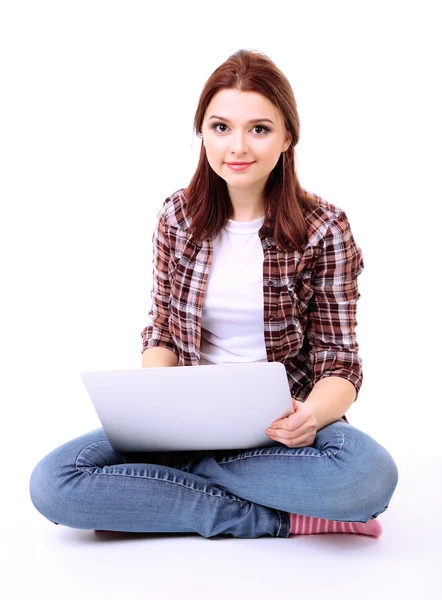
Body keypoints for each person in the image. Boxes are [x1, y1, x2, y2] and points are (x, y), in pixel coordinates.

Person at [30, 49, 398, 539]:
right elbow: (161, 328)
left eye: (259, 128)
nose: (237, 146)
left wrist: (309, 416)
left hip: (282, 435)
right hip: (188, 422)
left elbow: (340, 362)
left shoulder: (323, 229)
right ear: (201, 132)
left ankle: (162, 493)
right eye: (220, 127)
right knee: (54, 482)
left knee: (367, 477)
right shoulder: (177, 218)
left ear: (288, 136)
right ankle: (283, 518)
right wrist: (156, 410)